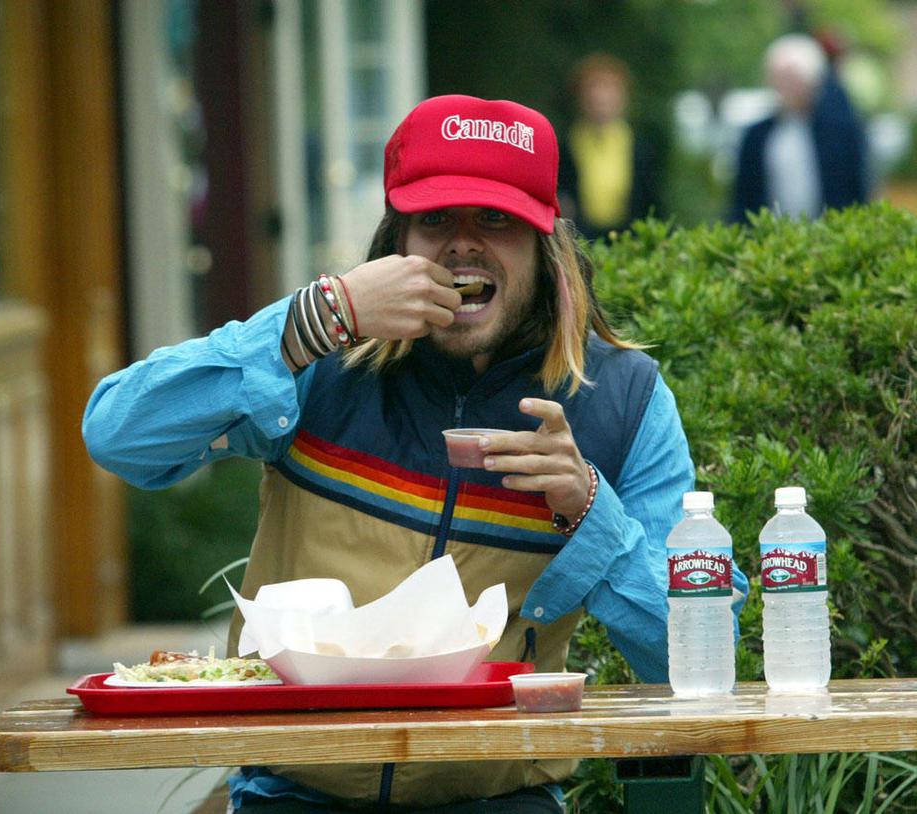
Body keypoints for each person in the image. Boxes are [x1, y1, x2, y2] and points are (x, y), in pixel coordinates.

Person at [84, 94, 747, 813]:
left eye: (495, 219)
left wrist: (591, 511)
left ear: (544, 243)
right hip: (295, 792)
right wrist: (316, 318)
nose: (462, 245)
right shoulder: (319, 361)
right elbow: (118, 436)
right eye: (434, 220)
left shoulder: (622, 399)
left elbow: (697, 656)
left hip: (500, 798)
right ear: (395, 239)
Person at [731, 33, 869, 223]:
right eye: (780, 79)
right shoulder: (757, 135)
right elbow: (744, 197)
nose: (786, 88)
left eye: (792, 79)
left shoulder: (840, 132)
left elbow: (856, 190)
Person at [557, 54, 662, 241]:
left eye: (609, 94)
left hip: (629, 237)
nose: (601, 102)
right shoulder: (566, 146)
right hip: (580, 237)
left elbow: (652, 201)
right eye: (593, 95)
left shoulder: (641, 148)